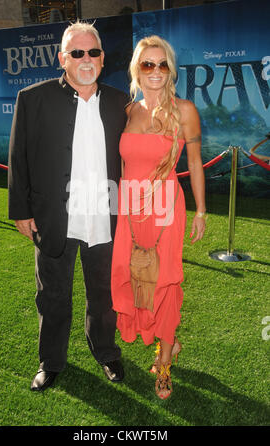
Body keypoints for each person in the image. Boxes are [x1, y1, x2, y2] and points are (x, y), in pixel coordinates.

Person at [8, 21, 129, 392]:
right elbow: (19, 158)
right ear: (63, 58)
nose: (86, 59)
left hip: (105, 217)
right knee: (53, 296)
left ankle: (106, 352)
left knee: (104, 295)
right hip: (54, 217)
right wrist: (21, 211)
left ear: (103, 58)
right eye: (77, 53)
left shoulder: (120, 103)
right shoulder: (33, 98)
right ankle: (51, 361)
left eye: (93, 52)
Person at [111, 35, 206, 399]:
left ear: (171, 70)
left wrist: (200, 210)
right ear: (137, 69)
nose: (155, 71)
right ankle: (170, 339)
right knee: (134, 275)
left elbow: (195, 162)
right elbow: (124, 163)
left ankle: (164, 361)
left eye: (162, 64)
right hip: (131, 209)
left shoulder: (184, 111)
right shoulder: (129, 110)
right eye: (147, 64)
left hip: (166, 207)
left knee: (165, 282)